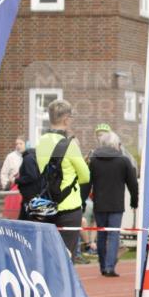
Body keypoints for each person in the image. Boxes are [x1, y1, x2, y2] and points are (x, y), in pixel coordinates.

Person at [35, 100, 91, 261]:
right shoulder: (70, 145)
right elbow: (85, 176)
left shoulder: (41, 142)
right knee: (67, 256)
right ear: (66, 119)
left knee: (49, 256)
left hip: (47, 204)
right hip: (69, 207)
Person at [89, 130, 138, 276]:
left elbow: (87, 181)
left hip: (99, 203)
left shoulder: (94, 160)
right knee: (113, 235)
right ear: (116, 144)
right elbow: (133, 183)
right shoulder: (123, 161)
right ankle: (110, 266)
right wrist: (134, 202)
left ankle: (103, 265)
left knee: (101, 235)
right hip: (116, 204)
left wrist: (83, 201)